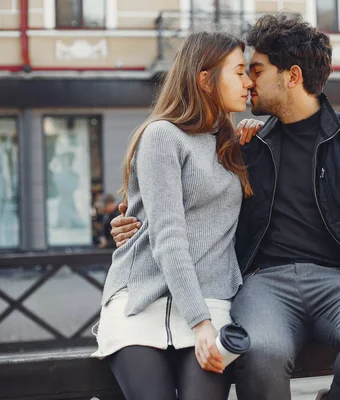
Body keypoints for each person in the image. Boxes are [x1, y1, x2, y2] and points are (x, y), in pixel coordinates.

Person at [111, 13, 340, 400]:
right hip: (262, 283)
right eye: (242, 71)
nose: (247, 82)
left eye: (255, 70)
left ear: (291, 76)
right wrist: (131, 222)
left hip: (339, 281)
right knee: (259, 349)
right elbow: (182, 202)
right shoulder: (242, 146)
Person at [92, 31, 255, 400]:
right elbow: (168, 236)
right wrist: (199, 323)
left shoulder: (234, 144)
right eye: (240, 72)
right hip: (142, 302)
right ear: (204, 79)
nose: (248, 83)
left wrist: (261, 139)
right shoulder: (162, 136)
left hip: (212, 302)